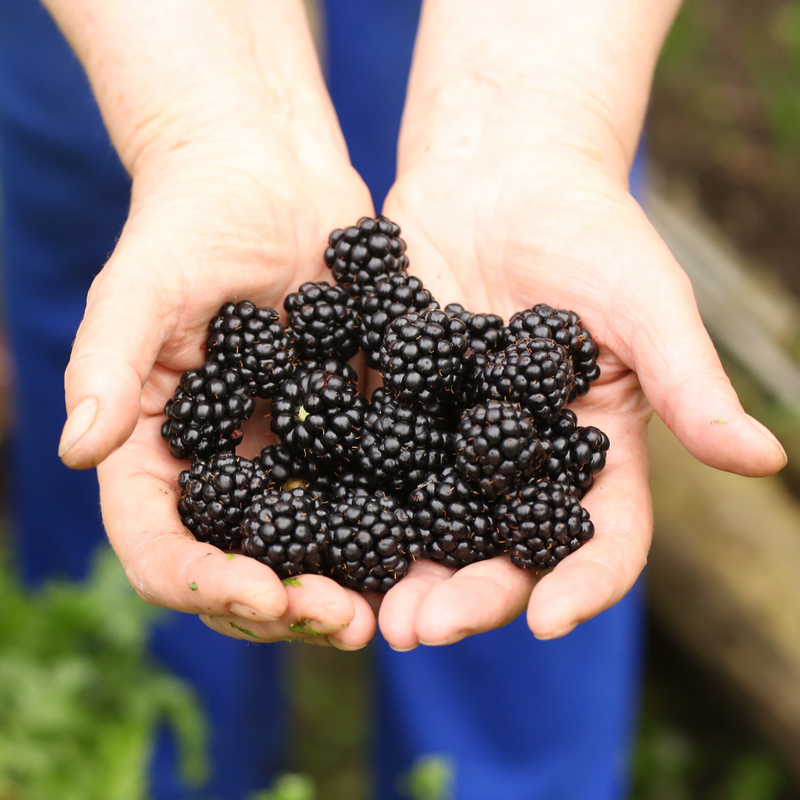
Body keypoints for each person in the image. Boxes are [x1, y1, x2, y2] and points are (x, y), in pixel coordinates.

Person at [0, 1, 786, 798]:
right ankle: (156, 752)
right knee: (126, 257)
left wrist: (533, 127)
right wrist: (201, 134)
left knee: (501, 621)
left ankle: (494, 777)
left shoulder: (466, 413)